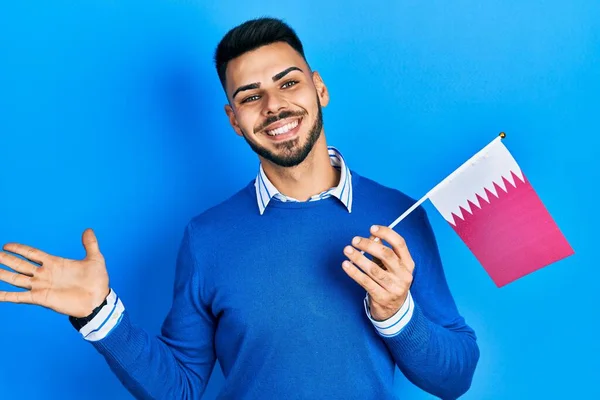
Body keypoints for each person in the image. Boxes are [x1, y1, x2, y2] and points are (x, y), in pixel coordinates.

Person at [0, 17, 479, 400]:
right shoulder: (206, 238)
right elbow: (180, 388)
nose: (273, 105)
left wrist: (397, 312)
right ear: (234, 119)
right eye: (251, 96)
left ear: (319, 90)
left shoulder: (399, 215)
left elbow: (455, 378)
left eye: (288, 83)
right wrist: (99, 315)